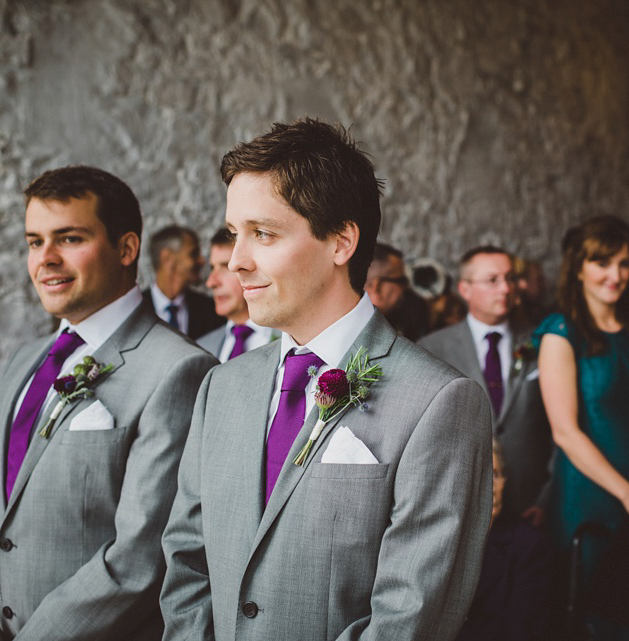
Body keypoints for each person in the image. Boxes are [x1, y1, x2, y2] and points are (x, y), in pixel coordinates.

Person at [159, 118, 494, 641]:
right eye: (233, 235)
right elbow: (187, 562)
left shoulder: (440, 402)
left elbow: (410, 615)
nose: (237, 262)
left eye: (262, 234)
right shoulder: (221, 387)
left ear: (341, 241)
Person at [0, 166, 217, 640]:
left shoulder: (179, 370)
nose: (45, 259)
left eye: (69, 238)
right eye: (34, 241)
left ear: (127, 248)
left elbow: (138, 557)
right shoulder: (24, 361)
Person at [535, 215, 629, 639]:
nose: (616, 275)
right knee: (595, 620)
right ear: (579, 267)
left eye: (625, 264)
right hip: (590, 498)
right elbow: (565, 432)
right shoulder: (560, 333)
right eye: (603, 263)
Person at [420, 246, 553, 518]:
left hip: (532, 498)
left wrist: (548, 497)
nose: (505, 288)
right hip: (458, 501)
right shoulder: (432, 348)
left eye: (510, 279)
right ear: (465, 289)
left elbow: (562, 426)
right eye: (492, 280)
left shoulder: (543, 342)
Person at [455, 440, 554, 641]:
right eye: (479, 475)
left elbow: (521, 632)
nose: (489, 486)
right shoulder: (440, 537)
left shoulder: (530, 546)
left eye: (495, 474)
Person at [197, 228, 279, 361]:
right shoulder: (201, 348)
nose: (211, 282)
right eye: (212, 268)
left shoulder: (294, 338)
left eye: (226, 267)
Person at [142, 224, 223, 339]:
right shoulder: (134, 309)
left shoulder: (211, 310)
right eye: (193, 254)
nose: (202, 261)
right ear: (168, 258)